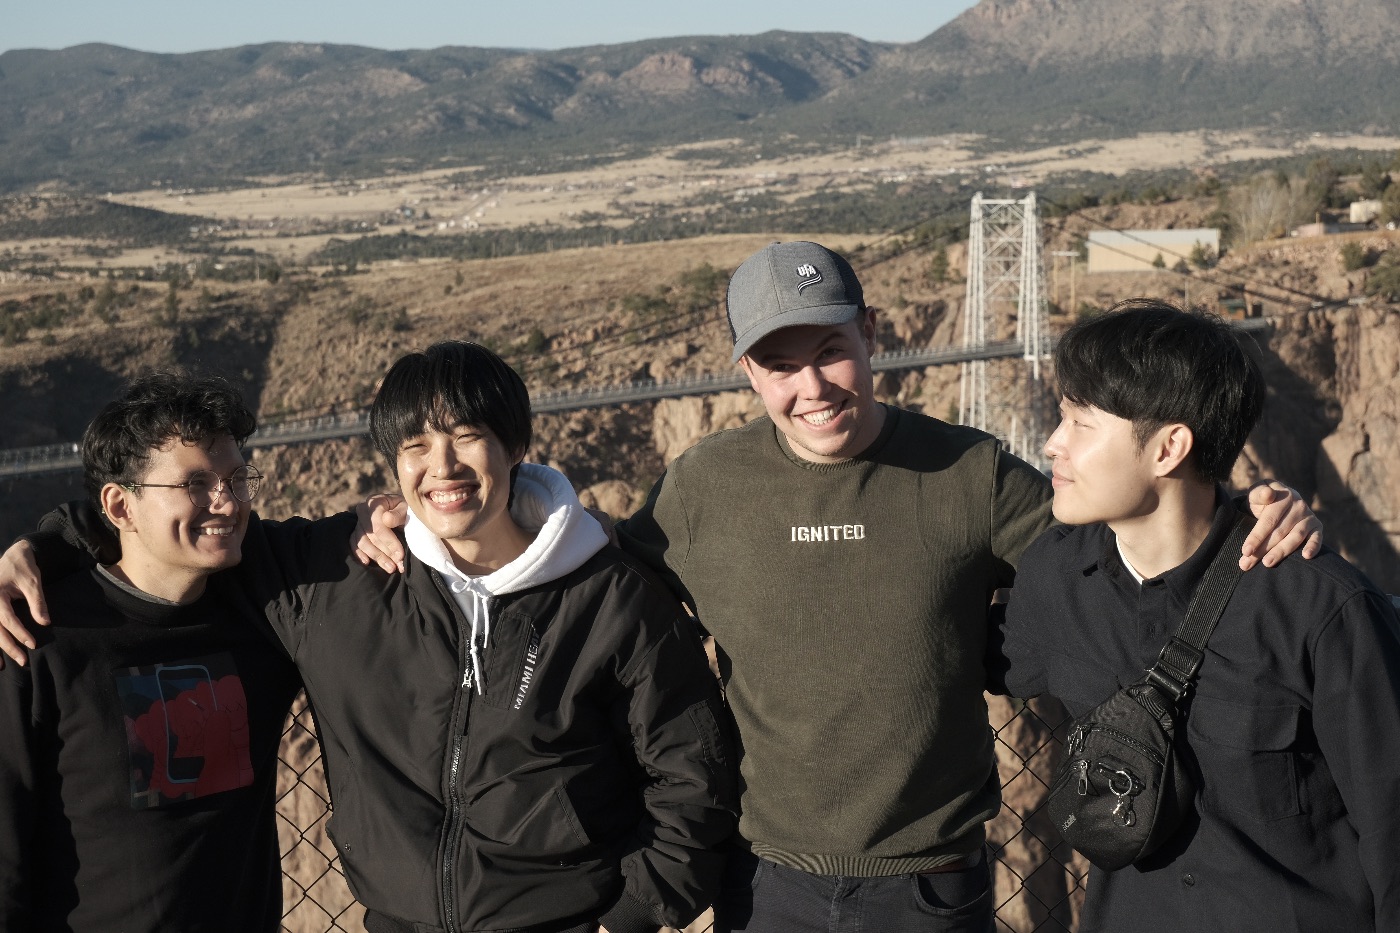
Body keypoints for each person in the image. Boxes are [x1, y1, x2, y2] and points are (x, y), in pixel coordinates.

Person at [343, 242, 1323, 933]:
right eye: (778, 364)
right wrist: (418, 520)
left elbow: (1130, 552)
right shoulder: (702, 487)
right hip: (764, 884)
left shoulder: (970, 473)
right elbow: (571, 572)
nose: (809, 385)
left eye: (827, 350)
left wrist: (1252, 511)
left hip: (931, 889)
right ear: (744, 374)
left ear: (870, 334)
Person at [0, 342, 736, 933]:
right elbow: (158, 536)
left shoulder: (604, 595)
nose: (442, 467)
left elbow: (693, 768)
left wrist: (633, 914)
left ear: (515, 445)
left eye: (467, 437)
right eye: (415, 444)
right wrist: (50, 544)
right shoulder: (326, 583)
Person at [987, 301, 1400, 932]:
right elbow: (949, 652)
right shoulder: (1054, 582)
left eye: (1080, 423)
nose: (1051, 444)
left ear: (1169, 448)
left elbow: (1392, 827)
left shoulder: (1314, 608)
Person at [0, 373, 302, 931]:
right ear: (120, 505)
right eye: (195, 483)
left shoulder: (271, 613)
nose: (226, 502)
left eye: (237, 479)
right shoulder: (39, 639)